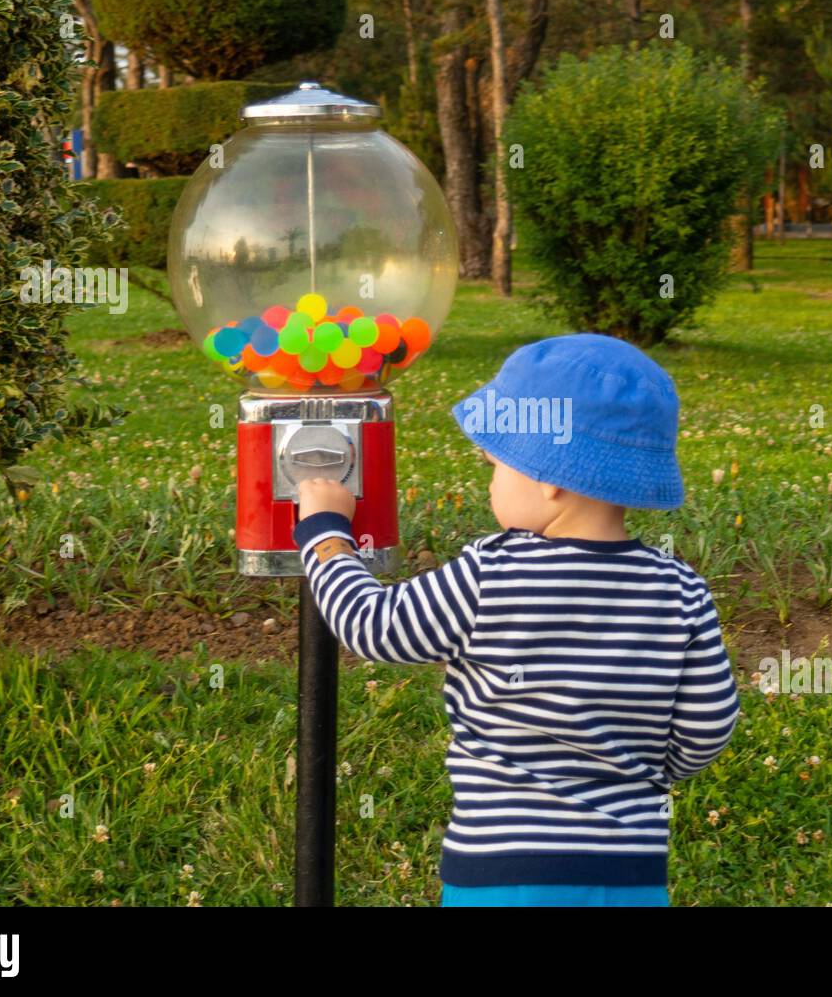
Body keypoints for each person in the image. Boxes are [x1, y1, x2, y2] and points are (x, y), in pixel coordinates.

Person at [294, 332, 740, 907]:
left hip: (503, 873)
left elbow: (371, 625)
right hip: (629, 874)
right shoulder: (682, 590)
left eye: (495, 467)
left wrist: (326, 533)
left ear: (550, 477)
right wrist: (644, 769)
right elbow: (708, 728)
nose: (490, 484)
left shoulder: (492, 574)